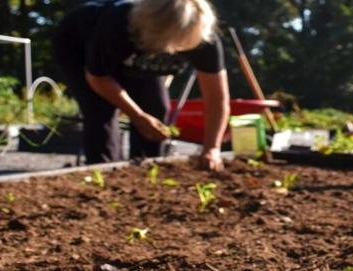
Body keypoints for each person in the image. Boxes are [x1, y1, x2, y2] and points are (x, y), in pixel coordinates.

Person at [53, 0, 228, 170]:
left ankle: (147, 170)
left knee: (156, 108)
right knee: (101, 109)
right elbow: (98, 79)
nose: (172, 52)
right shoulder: (119, 23)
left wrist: (212, 148)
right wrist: (136, 115)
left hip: (134, 59)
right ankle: (104, 172)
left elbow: (217, 98)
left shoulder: (202, 37)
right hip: (78, 47)